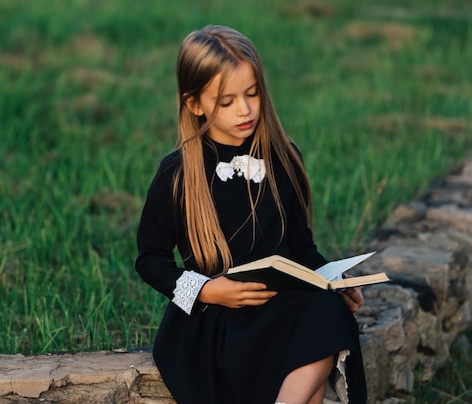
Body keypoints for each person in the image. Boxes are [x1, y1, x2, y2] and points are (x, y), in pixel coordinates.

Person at [135, 25, 368, 404]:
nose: (244, 109)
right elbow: (150, 259)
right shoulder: (178, 172)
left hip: (279, 305)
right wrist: (208, 290)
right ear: (194, 104)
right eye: (226, 102)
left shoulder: (284, 157)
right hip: (216, 316)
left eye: (252, 94)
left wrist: (333, 279)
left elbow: (301, 247)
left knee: (328, 311)